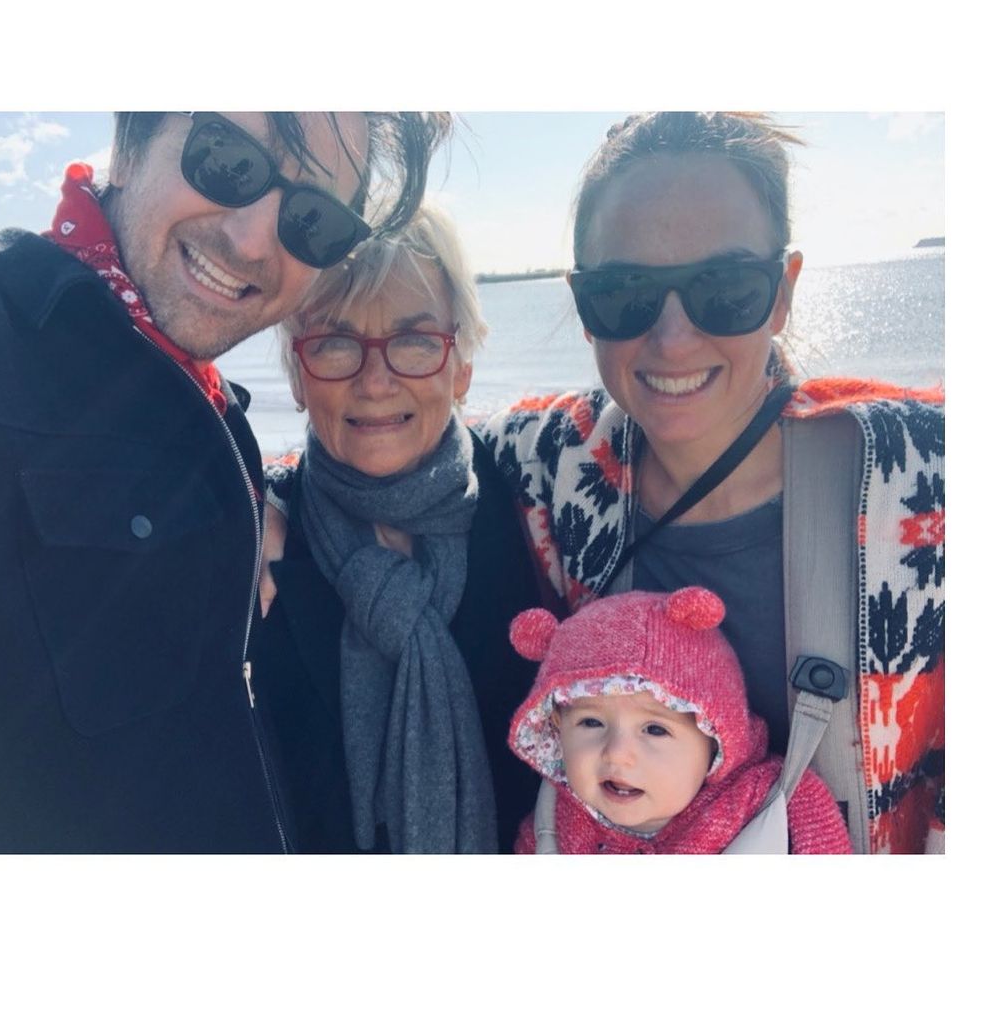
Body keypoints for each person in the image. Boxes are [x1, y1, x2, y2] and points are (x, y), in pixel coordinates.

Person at [0, 110, 451, 853]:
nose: (253, 242)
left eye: (313, 220)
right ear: (131, 139)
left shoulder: (210, 410)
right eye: (228, 160)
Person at [481, 112, 944, 854]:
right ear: (583, 305)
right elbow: (419, 432)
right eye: (625, 293)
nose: (673, 339)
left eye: (725, 288)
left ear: (783, 291)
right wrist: (279, 501)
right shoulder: (557, 462)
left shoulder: (922, 477)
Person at [256, 206, 542, 853]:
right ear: (298, 377)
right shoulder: (258, 543)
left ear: (461, 367)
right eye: (334, 342)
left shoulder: (534, 494)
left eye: (414, 340)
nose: (376, 382)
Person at [507, 587, 852, 854]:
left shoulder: (778, 805)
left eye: (655, 729)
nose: (617, 754)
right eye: (591, 723)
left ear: (715, 741)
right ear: (556, 727)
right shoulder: (550, 825)